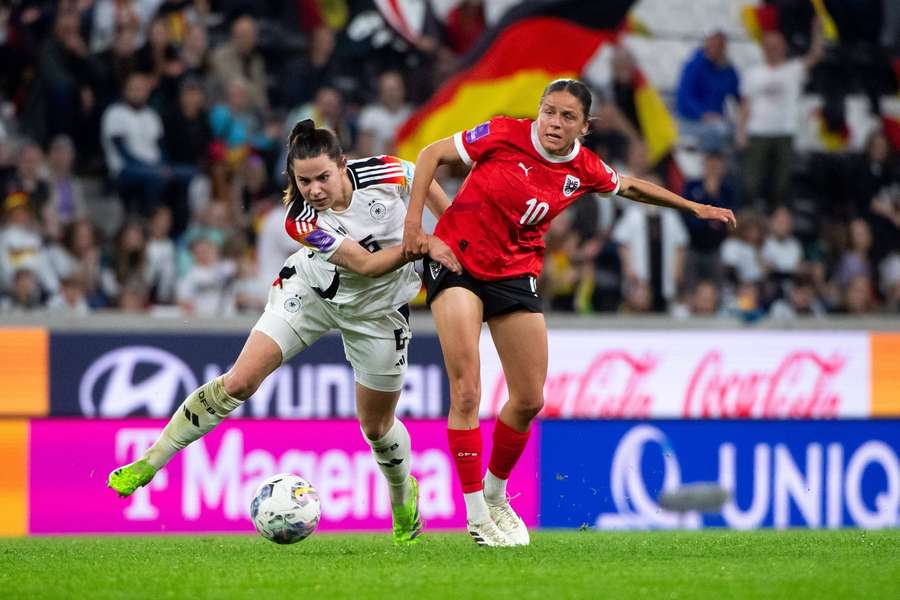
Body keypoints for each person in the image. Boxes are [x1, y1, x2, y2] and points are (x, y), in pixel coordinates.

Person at [401, 79, 736, 547]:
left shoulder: (584, 168)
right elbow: (431, 155)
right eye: (549, 112)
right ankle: (476, 515)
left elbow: (633, 187)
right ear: (537, 112)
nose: (554, 123)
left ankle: (496, 494)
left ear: (584, 126)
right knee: (466, 391)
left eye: (566, 117)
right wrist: (417, 227)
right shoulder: (501, 133)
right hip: (455, 260)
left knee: (529, 399)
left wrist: (693, 206)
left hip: (515, 274)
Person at [108, 120, 461, 546]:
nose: (314, 189)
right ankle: (150, 461)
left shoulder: (389, 172)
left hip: (378, 313)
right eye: (304, 180)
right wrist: (419, 245)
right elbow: (365, 265)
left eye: (323, 177)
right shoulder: (299, 219)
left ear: (343, 166)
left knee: (377, 426)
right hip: (311, 293)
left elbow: (433, 196)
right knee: (239, 381)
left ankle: (403, 495)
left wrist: (452, 233)